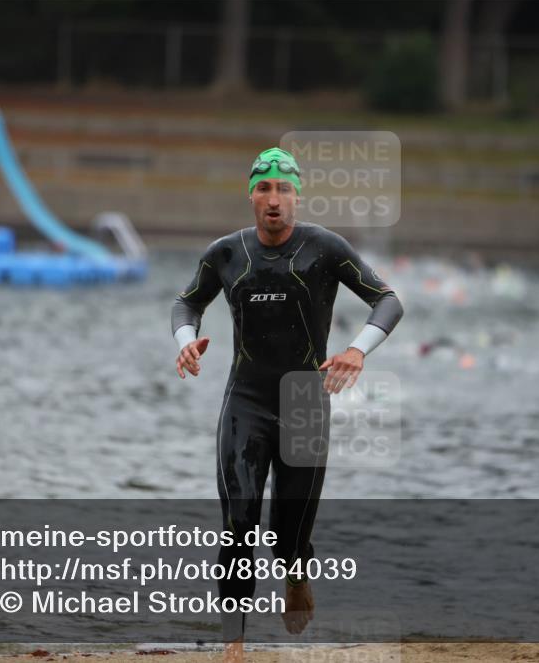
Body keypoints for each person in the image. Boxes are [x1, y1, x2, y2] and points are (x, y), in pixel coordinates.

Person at [170, 147, 403, 661]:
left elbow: (388, 300)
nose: (273, 200)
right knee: (239, 522)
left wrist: (356, 351)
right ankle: (234, 643)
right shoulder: (226, 253)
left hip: (304, 403)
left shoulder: (325, 249)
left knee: (286, 539)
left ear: (297, 195)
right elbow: (187, 301)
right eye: (264, 189)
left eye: (283, 189)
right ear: (250, 195)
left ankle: (297, 572)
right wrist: (186, 338)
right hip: (245, 401)